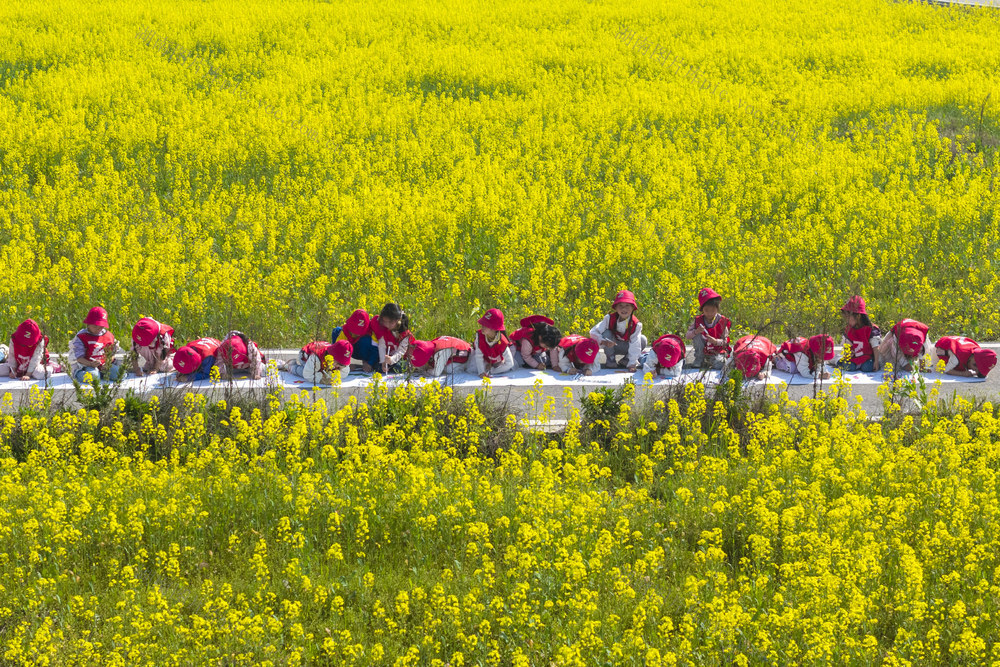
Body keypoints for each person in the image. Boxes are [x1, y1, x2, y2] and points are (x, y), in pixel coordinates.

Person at [590, 290, 646, 371]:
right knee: (607, 333)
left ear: (633, 307)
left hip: (627, 347)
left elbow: (635, 344)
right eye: (620, 305)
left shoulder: (636, 324)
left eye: (627, 305)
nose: (624, 309)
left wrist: (632, 363)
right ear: (615, 307)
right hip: (611, 347)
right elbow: (593, 332)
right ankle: (610, 359)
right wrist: (603, 341)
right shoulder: (609, 318)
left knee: (642, 340)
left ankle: (626, 360)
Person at [69, 307, 121, 383]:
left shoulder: (108, 335)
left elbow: (112, 353)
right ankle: (78, 373)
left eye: (101, 326)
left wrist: (107, 363)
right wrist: (90, 364)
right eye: (95, 326)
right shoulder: (82, 336)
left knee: (120, 374)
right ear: (88, 324)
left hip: (104, 365)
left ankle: (102, 373)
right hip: (86, 365)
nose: (98, 329)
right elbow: (79, 357)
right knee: (93, 377)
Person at [686, 288, 731, 370]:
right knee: (696, 335)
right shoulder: (698, 320)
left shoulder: (722, 321)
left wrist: (715, 341)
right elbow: (688, 336)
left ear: (717, 309)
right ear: (702, 309)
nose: (709, 313)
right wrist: (696, 331)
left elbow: (725, 341)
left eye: (713, 310)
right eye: (706, 310)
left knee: (719, 365)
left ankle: (710, 360)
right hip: (703, 350)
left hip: (717, 351)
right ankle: (699, 358)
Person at [837, 296, 881, 372]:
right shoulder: (849, 329)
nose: (846, 320)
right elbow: (846, 346)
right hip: (854, 358)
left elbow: (875, 347)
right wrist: (848, 354)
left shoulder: (871, 329)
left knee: (867, 367)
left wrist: (876, 362)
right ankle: (836, 360)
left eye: (848, 317)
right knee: (849, 367)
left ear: (858, 316)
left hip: (867, 358)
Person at [367, 303, 413, 374]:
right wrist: (383, 361)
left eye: (390, 322)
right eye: (384, 321)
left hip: (400, 358)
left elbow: (401, 352)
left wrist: (391, 360)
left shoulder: (404, 333)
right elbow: (381, 345)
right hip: (388, 357)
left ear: (398, 320)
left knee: (400, 367)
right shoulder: (383, 328)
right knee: (377, 366)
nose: (387, 324)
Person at [284, 340, 353, 384]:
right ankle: (290, 366)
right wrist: (322, 379)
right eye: (338, 363)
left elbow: (345, 372)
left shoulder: (340, 364)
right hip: (305, 356)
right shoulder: (316, 358)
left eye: (343, 365)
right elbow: (308, 375)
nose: (339, 366)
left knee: (322, 371)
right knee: (304, 372)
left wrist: (333, 376)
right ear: (330, 355)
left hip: (321, 361)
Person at [472, 308, 514, 378]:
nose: (481, 326)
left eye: (485, 325)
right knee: (473, 368)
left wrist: (493, 370)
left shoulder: (503, 342)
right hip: (484, 361)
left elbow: (510, 363)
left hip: (498, 363)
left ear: (493, 328)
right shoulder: (479, 336)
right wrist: (481, 372)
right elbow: (478, 356)